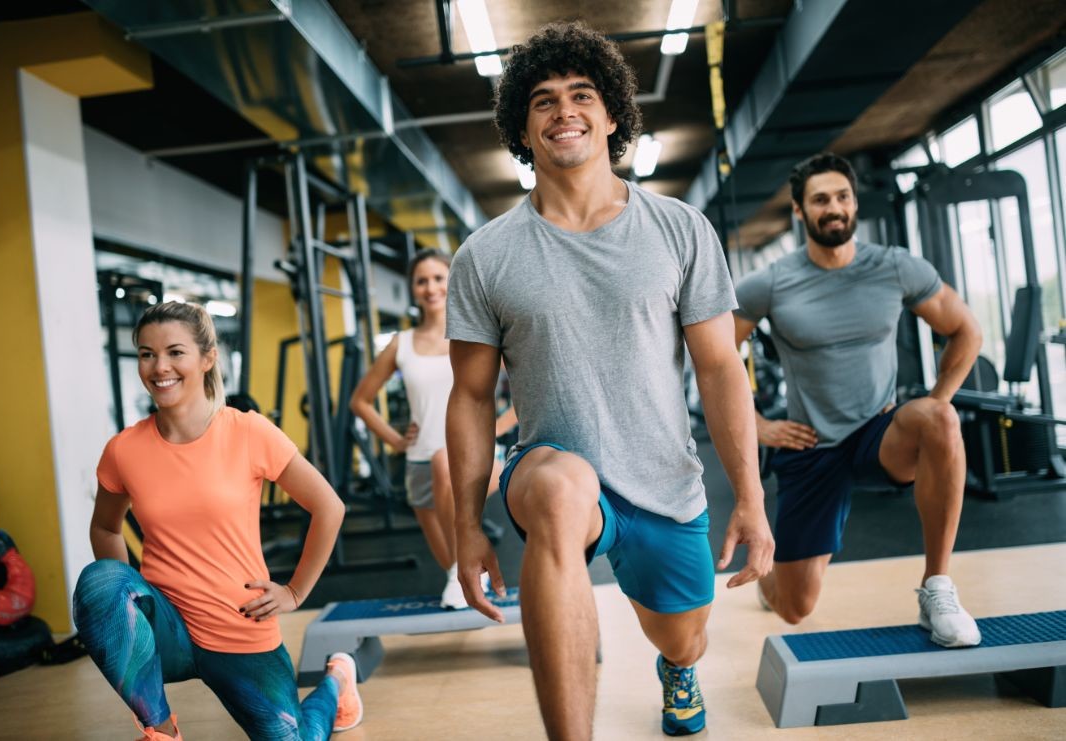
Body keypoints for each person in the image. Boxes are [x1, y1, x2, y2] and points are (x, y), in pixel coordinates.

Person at [445, 22, 774, 739]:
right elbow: (470, 396)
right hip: (550, 468)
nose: (563, 109)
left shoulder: (679, 229)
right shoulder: (485, 256)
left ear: (611, 115)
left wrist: (749, 497)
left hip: (664, 481)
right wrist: (467, 528)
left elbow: (720, 370)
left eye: (580, 94)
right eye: (542, 100)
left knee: (682, 635)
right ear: (521, 129)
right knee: (563, 492)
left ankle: (677, 667)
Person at [73, 301, 362, 740]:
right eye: (147, 354)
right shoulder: (124, 450)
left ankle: (336, 681)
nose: (159, 367)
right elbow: (106, 528)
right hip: (168, 625)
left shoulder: (248, 432)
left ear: (207, 359)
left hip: (238, 624)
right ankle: (161, 729)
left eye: (175, 352)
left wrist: (294, 591)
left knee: (294, 736)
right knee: (100, 581)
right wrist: (130, 611)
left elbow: (329, 506)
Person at [732, 152, 983, 648]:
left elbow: (965, 330)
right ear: (800, 211)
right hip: (811, 445)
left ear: (854, 204)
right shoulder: (771, 282)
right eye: (821, 199)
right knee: (794, 608)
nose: (834, 208)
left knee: (940, 419)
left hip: (879, 434)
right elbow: (713, 358)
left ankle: (937, 587)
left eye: (842, 197)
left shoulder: (893, 266)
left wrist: (937, 401)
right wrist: (757, 424)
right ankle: (773, 582)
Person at [350, 249, 517, 609]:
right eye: (422, 281)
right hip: (419, 464)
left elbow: (527, 386)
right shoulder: (401, 344)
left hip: (477, 457)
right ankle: (468, 586)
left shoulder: (478, 334)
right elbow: (360, 401)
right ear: (413, 289)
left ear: (452, 281)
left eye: (439, 278)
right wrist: (395, 440)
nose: (431, 287)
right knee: (452, 569)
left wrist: (497, 428)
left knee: (447, 461)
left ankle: (468, 568)